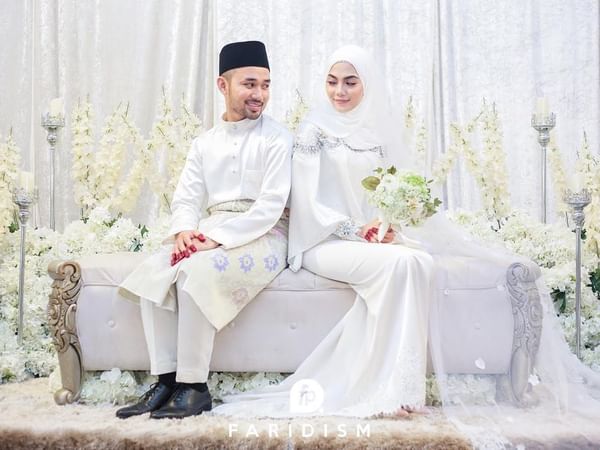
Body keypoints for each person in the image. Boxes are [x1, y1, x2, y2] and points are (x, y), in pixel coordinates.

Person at [213, 46, 600, 446]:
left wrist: (388, 224)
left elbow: (388, 194)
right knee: (400, 266)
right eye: (332, 82)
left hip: (368, 242)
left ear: (367, 83)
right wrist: (356, 229)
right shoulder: (314, 130)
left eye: (350, 82)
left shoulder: (376, 134)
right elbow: (309, 205)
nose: (339, 92)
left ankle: (401, 388)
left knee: (416, 261)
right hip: (322, 241)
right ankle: (386, 388)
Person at [115, 40, 292, 420]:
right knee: (156, 269)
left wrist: (215, 239)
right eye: (249, 84)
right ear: (222, 85)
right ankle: (165, 380)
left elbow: (271, 207)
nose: (259, 94)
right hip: (213, 226)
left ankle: (194, 386)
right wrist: (183, 233)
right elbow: (185, 199)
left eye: (265, 84)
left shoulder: (278, 138)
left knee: (194, 271)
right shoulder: (204, 142)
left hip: (266, 232)